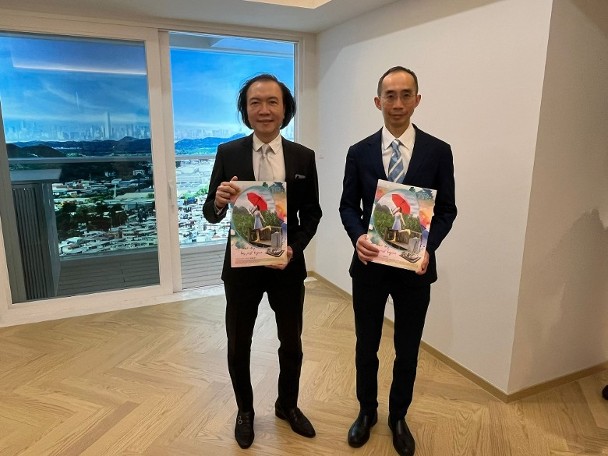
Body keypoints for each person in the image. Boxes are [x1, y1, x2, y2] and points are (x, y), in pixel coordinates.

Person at [339, 66, 457, 456]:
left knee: (407, 349)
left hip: (414, 271)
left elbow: (447, 211)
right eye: (390, 95)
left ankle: (398, 417)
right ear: (378, 101)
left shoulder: (438, 151)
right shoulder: (358, 152)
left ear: (417, 100)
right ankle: (366, 411)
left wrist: (428, 247)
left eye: (406, 95)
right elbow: (347, 206)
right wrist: (358, 236)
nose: (398, 103)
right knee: (366, 346)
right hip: (370, 267)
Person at [203, 74, 322, 449]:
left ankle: (288, 405)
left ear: (285, 109)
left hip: (287, 267)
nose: (264, 109)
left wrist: (294, 248)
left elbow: (312, 214)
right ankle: (245, 410)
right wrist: (219, 201)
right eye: (255, 102)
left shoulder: (303, 157)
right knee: (239, 343)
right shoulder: (228, 153)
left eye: (273, 102)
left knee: (292, 343)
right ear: (245, 110)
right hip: (241, 269)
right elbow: (210, 212)